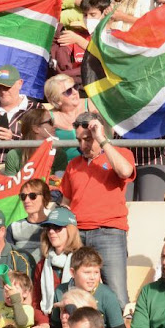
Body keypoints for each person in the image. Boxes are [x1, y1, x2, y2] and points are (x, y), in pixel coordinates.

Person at [60, 112, 135, 309]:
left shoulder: (120, 153)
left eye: (88, 138)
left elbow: (125, 171)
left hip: (109, 231)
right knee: (76, 294)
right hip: (77, 233)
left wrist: (101, 139)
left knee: (117, 293)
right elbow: (65, 203)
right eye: (79, 140)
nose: (83, 144)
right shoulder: (73, 165)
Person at [49, 247, 127, 328]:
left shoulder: (107, 295)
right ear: (72, 272)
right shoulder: (61, 291)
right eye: (87, 272)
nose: (92, 277)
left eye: (96, 272)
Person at [31, 207, 83, 328]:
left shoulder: (82, 261)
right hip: (50, 323)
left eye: (57, 227)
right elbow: (36, 301)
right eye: (49, 228)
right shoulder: (42, 264)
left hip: (78, 320)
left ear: (70, 230)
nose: (51, 232)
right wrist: (43, 321)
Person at [44, 75, 96, 162]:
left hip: (94, 164)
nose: (75, 92)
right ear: (57, 100)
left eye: (75, 87)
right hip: (64, 170)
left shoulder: (91, 105)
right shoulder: (48, 117)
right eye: (68, 91)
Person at [4, 108, 68, 177]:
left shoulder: (59, 154)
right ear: (36, 129)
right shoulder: (14, 156)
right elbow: (11, 186)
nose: (54, 126)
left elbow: (59, 183)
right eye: (50, 122)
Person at [7, 179, 50, 262]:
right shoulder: (13, 227)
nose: (26, 201)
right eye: (23, 196)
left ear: (45, 197)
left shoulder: (54, 227)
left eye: (32, 196)